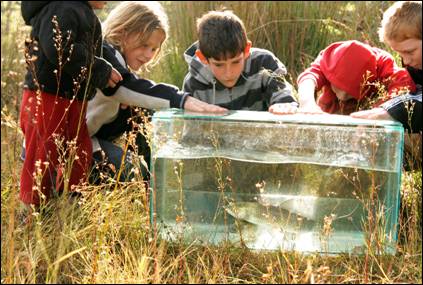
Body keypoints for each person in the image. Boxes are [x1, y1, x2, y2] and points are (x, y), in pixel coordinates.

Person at [86, 2, 227, 182]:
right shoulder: (103, 52)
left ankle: (153, 177)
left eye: (154, 49)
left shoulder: (123, 61)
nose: (148, 55)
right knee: (131, 170)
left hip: (94, 135)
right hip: (74, 141)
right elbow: (124, 87)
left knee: (145, 112)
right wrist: (181, 99)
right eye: (144, 45)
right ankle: (143, 180)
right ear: (123, 31)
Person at [19, 1, 122, 207]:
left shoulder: (82, 12)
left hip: (72, 98)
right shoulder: (63, 7)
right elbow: (58, 48)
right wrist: (99, 68)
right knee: (43, 152)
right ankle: (32, 208)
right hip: (49, 96)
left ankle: (70, 201)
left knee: (78, 151)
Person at [182, 10, 297, 111]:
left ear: (246, 49)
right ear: (203, 58)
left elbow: (284, 97)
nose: (229, 73)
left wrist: (284, 106)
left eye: (236, 62)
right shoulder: (193, 83)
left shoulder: (264, 63)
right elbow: (192, 129)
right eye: (219, 65)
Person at [270, 40, 416, 116]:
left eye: (350, 91)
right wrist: (307, 104)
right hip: (329, 108)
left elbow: (402, 86)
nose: (344, 95)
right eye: (339, 86)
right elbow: (309, 78)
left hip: (368, 109)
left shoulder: (383, 63)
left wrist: (377, 112)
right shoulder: (331, 58)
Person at [350, 1, 422, 134]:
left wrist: (391, 111)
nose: (406, 61)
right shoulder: (414, 64)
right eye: (400, 54)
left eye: (410, 52)